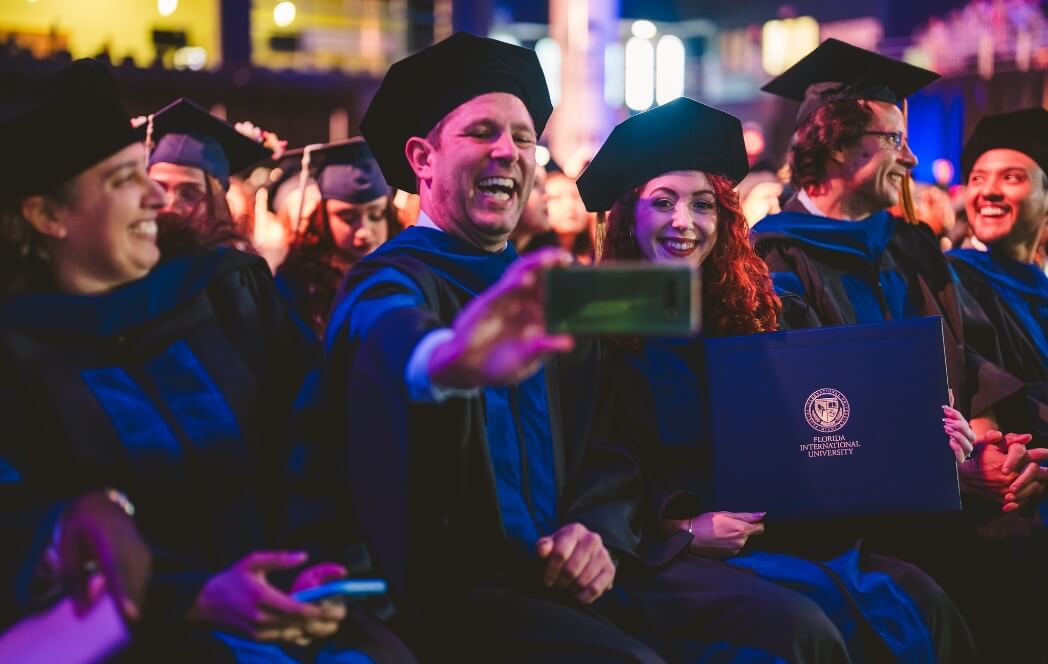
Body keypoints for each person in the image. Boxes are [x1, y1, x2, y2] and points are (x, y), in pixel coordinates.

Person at [0, 59, 410, 663]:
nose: (154, 196)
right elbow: (24, 537)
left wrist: (321, 567)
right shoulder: (16, 360)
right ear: (47, 215)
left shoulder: (222, 293)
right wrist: (192, 597)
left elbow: (321, 424)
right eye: (121, 181)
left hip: (296, 610)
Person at [569, 96, 977, 663]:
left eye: (704, 204)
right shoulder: (593, 326)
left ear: (725, 218)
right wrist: (683, 529)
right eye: (663, 201)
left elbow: (828, 421)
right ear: (628, 215)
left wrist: (924, 440)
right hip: (659, 555)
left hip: (777, 536)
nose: (684, 222)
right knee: (801, 628)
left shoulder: (759, 311)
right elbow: (590, 468)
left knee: (918, 597)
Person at [320, 32, 661, 661]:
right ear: (422, 158)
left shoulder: (543, 290)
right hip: (453, 599)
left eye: (524, 136)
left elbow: (609, 442)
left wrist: (596, 532)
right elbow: (390, 335)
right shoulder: (391, 279)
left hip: (572, 578)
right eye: (481, 132)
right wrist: (450, 359)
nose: (508, 150)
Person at [750, 39, 1042, 658]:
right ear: (834, 143)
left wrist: (993, 436)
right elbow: (814, 415)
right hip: (855, 514)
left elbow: (971, 361)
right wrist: (945, 472)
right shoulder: (772, 259)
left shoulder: (909, 247)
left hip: (949, 481)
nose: (910, 158)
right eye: (893, 139)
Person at [275, 139, 398, 337]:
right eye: (347, 218)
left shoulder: (409, 267)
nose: (364, 231)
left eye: (376, 215)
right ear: (322, 218)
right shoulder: (297, 283)